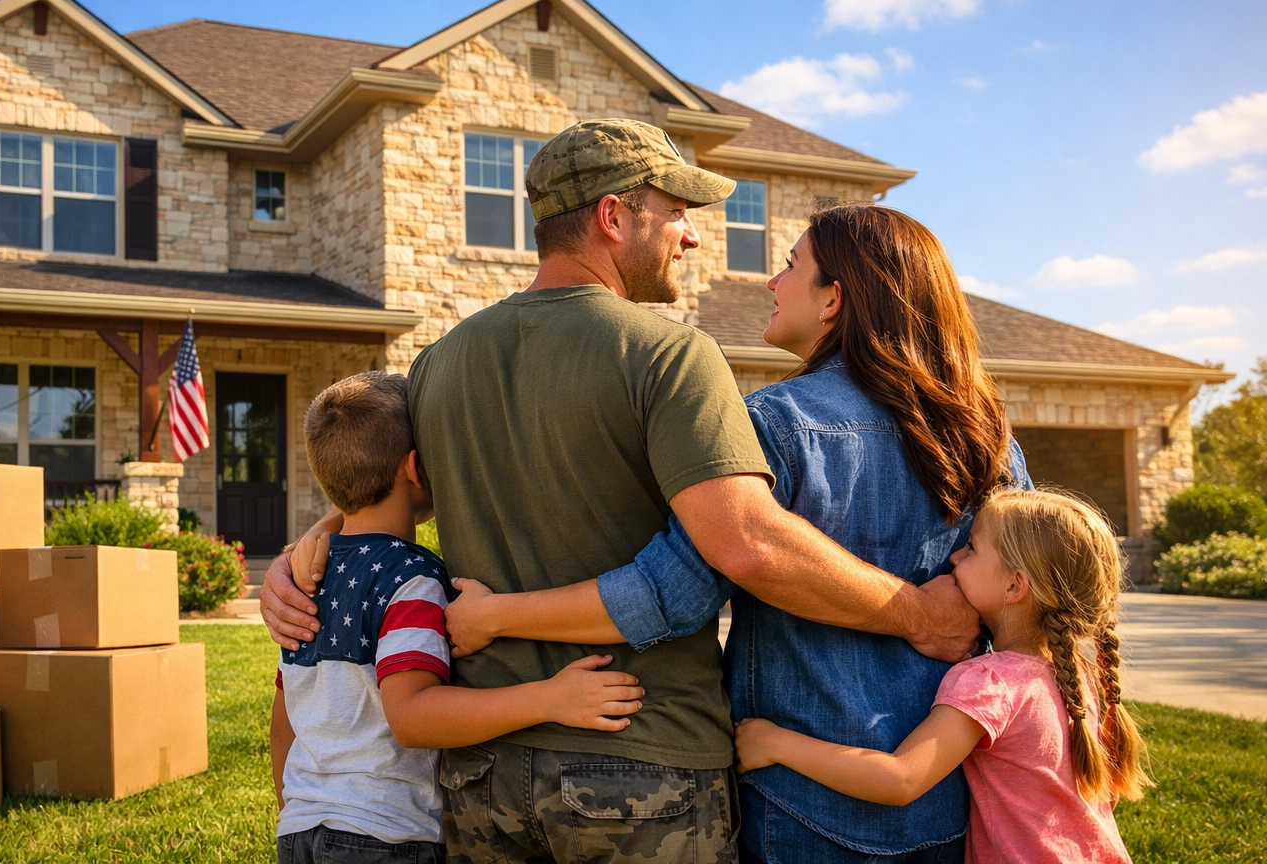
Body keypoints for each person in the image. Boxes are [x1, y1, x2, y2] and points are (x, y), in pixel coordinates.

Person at [263, 120, 980, 864]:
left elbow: (383, 481)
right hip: (644, 765)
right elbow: (743, 541)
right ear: (614, 217)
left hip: (483, 775)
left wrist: (313, 550)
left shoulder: (439, 366)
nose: (692, 237)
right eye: (675, 213)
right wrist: (921, 615)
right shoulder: (670, 356)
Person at [443, 204, 1029, 862]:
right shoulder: (987, 436)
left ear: (834, 299)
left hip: (796, 793)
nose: (770, 283)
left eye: (789, 266)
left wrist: (495, 616)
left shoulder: (772, 424)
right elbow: (1032, 602)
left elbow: (673, 592)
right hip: (944, 795)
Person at [271, 371, 646, 864]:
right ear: (417, 467)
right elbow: (412, 716)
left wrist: (297, 807)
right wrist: (550, 697)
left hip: (299, 828)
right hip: (385, 837)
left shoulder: (306, 576)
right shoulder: (412, 578)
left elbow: (284, 719)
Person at [736, 488, 1148, 864]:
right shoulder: (1079, 676)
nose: (954, 557)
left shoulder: (991, 682)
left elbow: (900, 779)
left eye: (971, 549)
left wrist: (773, 742)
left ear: (1014, 586)